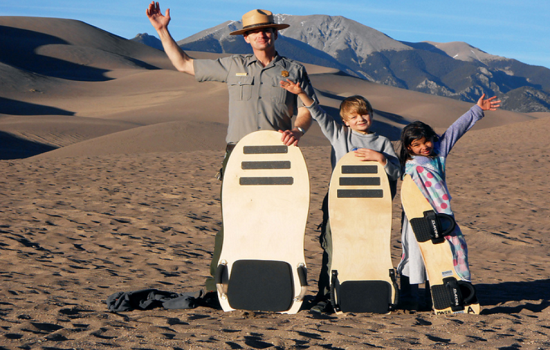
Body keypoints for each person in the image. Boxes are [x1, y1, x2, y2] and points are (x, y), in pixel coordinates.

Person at [146, 2, 318, 293]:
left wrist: (298, 129)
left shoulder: (294, 70)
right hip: (237, 154)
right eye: (254, 32)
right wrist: (163, 31)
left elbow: (307, 109)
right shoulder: (233, 65)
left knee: (276, 219)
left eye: (266, 30)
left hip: (279, 155)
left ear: (275, 34)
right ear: (246, 38)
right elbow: (184, 64)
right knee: (234, 220)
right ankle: (220, 286)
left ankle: (273, 285)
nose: (261, 35)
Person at [280, 79, 401, 313]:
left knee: (367, 246)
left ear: (371, 115)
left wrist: (382, 159)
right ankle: (326, 294)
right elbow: (317, 112)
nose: (360, 119)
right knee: (333, 246)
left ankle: (362, 290)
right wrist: (301, 94)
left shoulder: (382, 142)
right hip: (339, 203)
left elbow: (397, 173)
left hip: (371, 206)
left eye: (364, 114)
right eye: (354, 117)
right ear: (345, 121)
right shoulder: (339, 135)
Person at [397, 94, 501, 310]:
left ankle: (443, 294)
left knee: (451, 251)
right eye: (417, 144)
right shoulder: (409, 165)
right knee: (415, 255)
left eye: (426, 141)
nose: (424, 147)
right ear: (408, 147)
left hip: (443, 217)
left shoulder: (438, 154)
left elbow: (456, 130)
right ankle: (409, 297)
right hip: (417, 217)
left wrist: (476, 110)